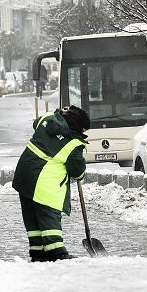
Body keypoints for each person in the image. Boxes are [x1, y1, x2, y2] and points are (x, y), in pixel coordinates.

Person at [12, 105, 90, 262]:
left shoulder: (47, 121)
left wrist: (59, 115)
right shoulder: (73, 144)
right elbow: (77, 172)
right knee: (49, 215)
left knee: (32, 216)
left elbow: (36, 122)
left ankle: (38, 251)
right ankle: (56, 252)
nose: (83, 134)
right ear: (79, 127)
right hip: (44, 182)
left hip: (24, 176)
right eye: (83, 130)